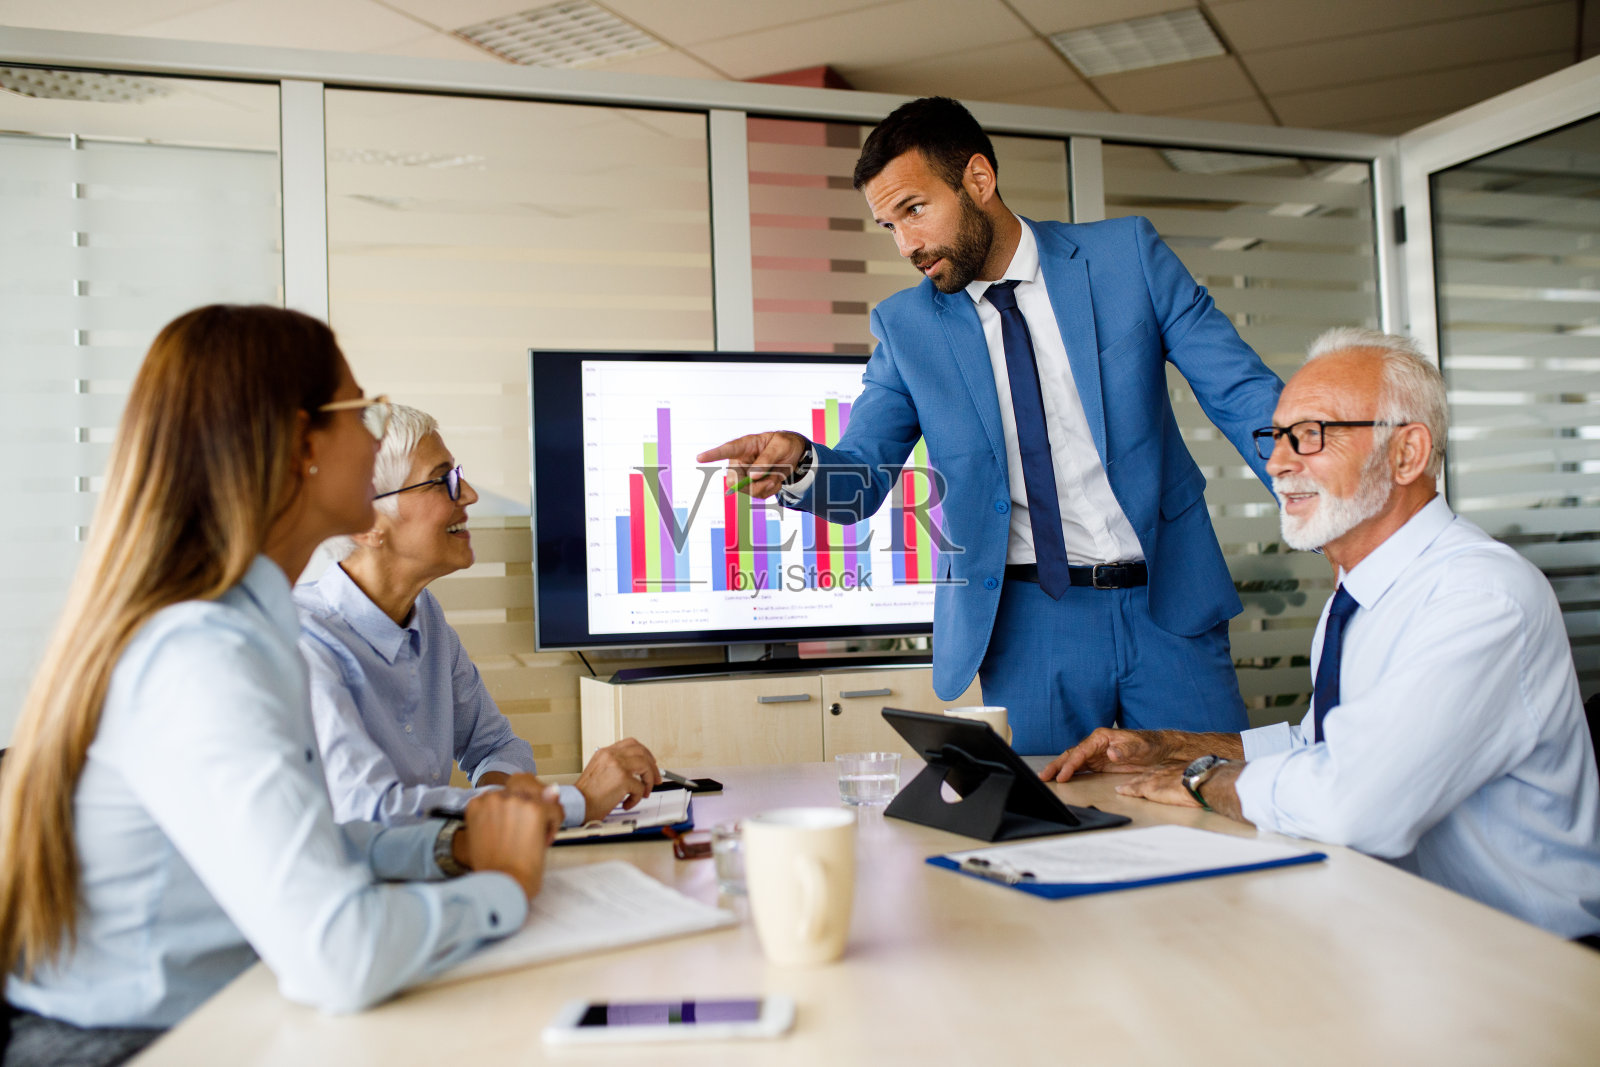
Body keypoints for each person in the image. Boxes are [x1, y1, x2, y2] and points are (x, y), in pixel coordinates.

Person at [0, 306, 561, 1067]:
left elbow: (313, 844)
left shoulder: (244, 628)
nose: (374, 434)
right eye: (360, 411)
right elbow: (340, 953)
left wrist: (448, 847)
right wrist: (505, 884)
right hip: (132, 1044)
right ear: (300, 444)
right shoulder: (202, 656)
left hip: (215, 1011)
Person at [698, 96, 1284, 755]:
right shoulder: (907, 328)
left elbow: (1241, 392)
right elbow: (860, 484)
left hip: (1169, 602)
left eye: (914, 210)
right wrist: (801, 465)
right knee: (1049, 831)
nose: (906, 245)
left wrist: (1335, 505)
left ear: (978, 179)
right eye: (888, 225)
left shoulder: (1127, 258)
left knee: (1219, 803)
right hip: (1030, 623)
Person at [1041, 327, 1600, 940]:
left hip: (1522, 963)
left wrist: (1202, 781)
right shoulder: (1362, 591)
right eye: (1276, 437)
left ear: (1407, 454)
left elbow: (1353, 802)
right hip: (1397, 932)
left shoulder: (1478, 597)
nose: (1277, 462)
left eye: (1311, 436)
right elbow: (1323, 746)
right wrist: (1167, 746)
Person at [295, 403, 663, 827]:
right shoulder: (305, 644)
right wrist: (569, 802)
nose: (467, 494)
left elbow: (497, 747)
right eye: (441, 481)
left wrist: (502, 816)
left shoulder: (424, 615)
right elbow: (375, 812)